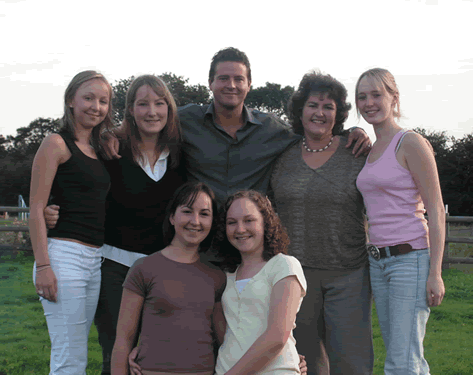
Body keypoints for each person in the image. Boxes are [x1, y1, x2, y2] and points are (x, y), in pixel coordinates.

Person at [102, 47, 371, 206]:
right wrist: (110, 134)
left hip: (250, 244)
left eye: (238, 79)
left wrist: (350, 132)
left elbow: (313, 129)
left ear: (249, 84)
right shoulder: (183, 120)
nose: (231, 85)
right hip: (199, 242)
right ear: (210, 83)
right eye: (223, 78)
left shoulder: (272, 129)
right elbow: (146, 120)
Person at [45, 74, 185, 375]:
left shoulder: (181, 155)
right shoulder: (111, 149)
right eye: (143, 104)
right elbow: (77, 184)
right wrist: (49, 209)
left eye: (159, 104)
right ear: (130, 110)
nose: (152, 112)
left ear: (169, 109)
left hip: (163, 270)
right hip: (114, 270)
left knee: (159, 355)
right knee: (116, 356)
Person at [270, 71, 373, 374]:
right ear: (300, 111)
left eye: (328, 107)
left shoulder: (357, 152)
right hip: (295, 277)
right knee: (304, 362)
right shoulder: (282, 155)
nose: (319, 113)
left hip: (349, 274)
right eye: (313, 105)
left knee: (351, 362)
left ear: (338, 114)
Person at [355, 68, 445, 375]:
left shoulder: (411, 143)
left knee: (401, 361)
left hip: (411, 259)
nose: (369, 102)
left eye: (377, 94)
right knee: (408, 356)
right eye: (362, 96)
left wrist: (435, 272)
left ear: (394, 98)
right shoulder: (368, 149)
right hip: (378, 262)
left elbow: (435, 209)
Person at [29, 70, 114, 374]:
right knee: (69, 357)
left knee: (77, 353)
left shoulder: (100, 149)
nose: (96, 106)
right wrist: (43, 266)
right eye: (88, 98)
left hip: (95, 259)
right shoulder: (56, 144)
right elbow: (36, 209)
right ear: (70, 101)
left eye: (103, 101)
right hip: (63, 257)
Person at [111, 182, 226, 375]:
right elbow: (123, 339)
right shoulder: (143, 268)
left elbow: (227, 341)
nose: (195, 221)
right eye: (187, 211)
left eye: (204, 214)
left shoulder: (216, 276)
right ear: (172, 217)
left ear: (213, 222)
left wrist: (286, 354)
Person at [212, 190, 307, 374]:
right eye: (232, 222)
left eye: (249, 220)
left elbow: (277, 337)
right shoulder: (226, 275)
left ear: (266, 222)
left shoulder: (284, 265)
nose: (240, 229)